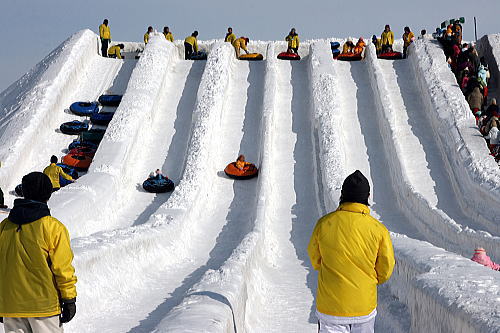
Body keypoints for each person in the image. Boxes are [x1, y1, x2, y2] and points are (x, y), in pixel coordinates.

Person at [308, 170, 395, 333]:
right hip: (363, 307)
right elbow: (386, 268)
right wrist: (369, 280)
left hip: (330, 307)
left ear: (342, 195)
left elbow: (315, 259)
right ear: (367, 197)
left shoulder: (324, 224)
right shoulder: (378, 230)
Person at [0, 172, 77, 332]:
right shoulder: (52, 228)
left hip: (11, 306)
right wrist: (69, 298)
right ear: (48, 195)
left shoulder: (4, 227)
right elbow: (62, 269)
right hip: (44, 307)